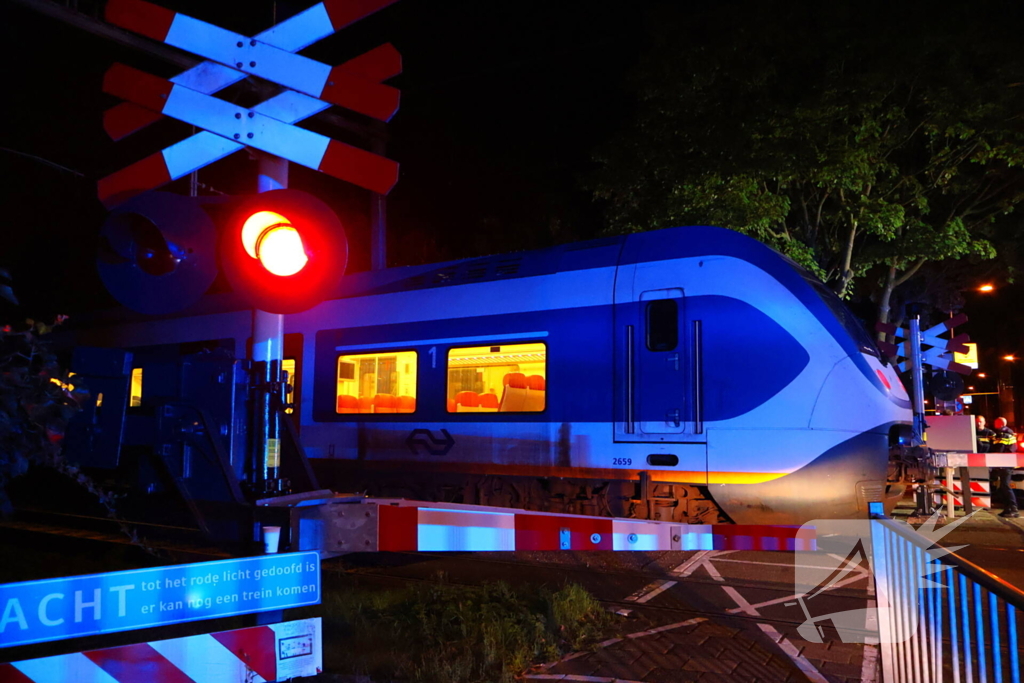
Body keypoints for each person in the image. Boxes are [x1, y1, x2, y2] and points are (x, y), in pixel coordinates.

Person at [990, 417, 1019, 518]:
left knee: (1005, 486)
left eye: (995, 422)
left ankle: (1013, 508)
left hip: (1005, 463)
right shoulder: (1007, 432)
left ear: (1000, 423)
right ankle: (1007, 509)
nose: (994, 423)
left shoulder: (1003, 433)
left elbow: (1000, 448)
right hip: (1006, 463)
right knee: (1003, 486)